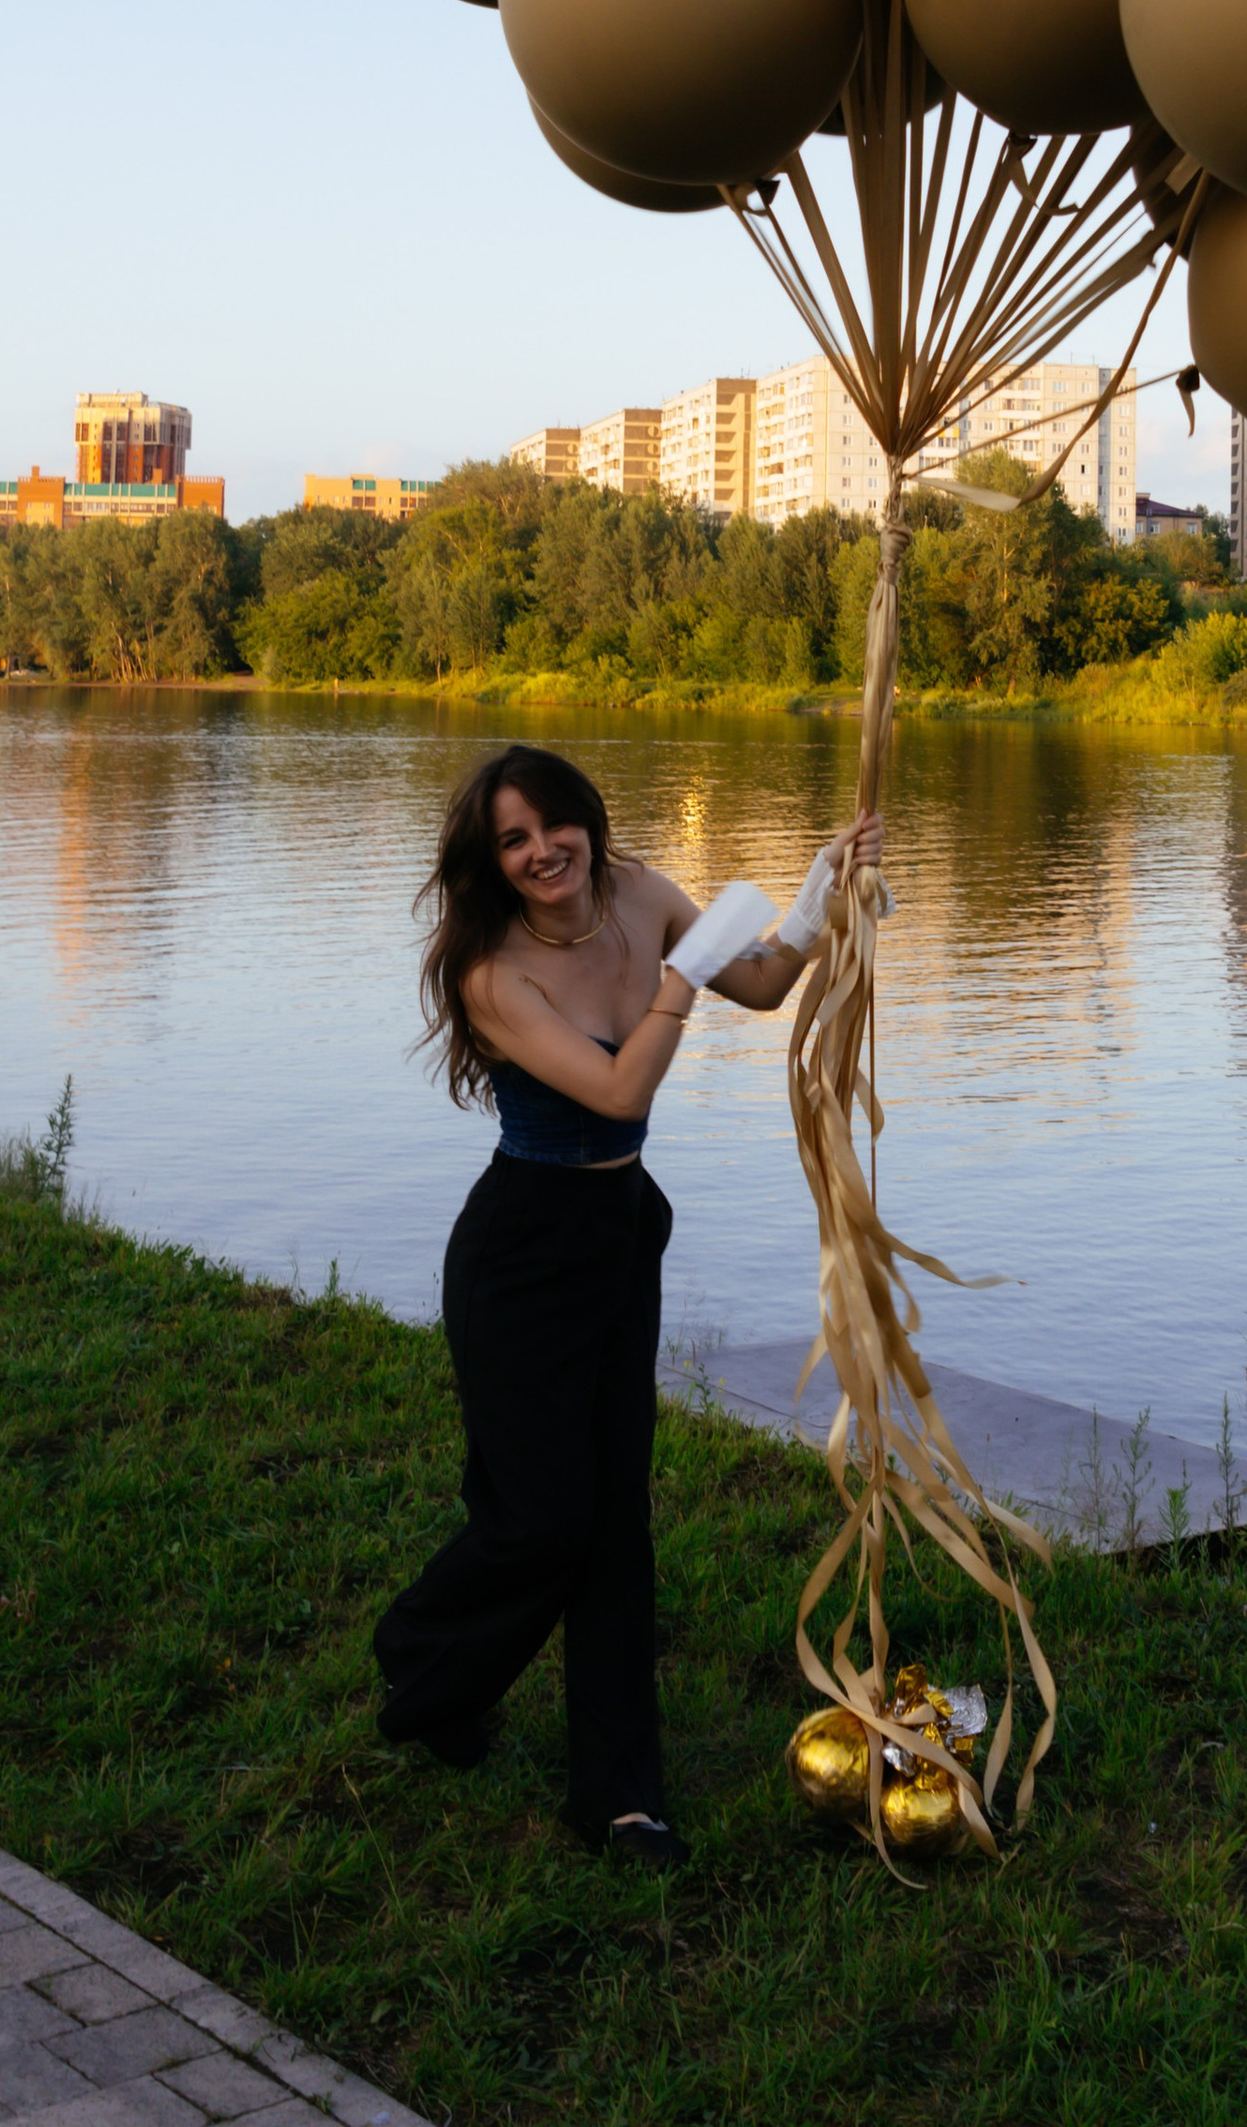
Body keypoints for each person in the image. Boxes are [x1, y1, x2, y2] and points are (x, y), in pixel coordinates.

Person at [373, 740, 882, 1866]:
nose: (541, 851)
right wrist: (677, 979)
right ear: (491, 861)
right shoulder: (492, 972)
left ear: (588, 819)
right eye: (512, 840)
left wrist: (816, 899)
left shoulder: (643, 891)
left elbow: (760, 982)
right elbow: (616, 1087)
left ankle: (618, 1796)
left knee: (613, 1522)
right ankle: (420, 1657)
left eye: (554, 825)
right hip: (520, 1252)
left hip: (619, 1232)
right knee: (536, 1519)